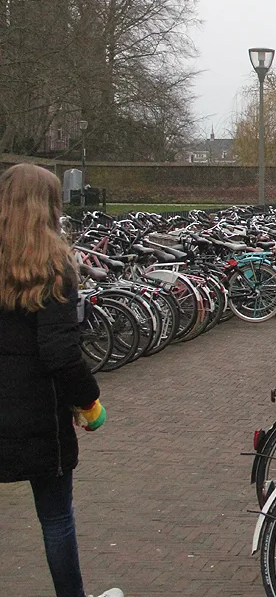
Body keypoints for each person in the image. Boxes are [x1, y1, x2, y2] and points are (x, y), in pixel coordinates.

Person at [0, 164, 123, 597]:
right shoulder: (53, 266)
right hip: (37, 417)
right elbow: (59, 353)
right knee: (55, 518)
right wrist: (89, 403)